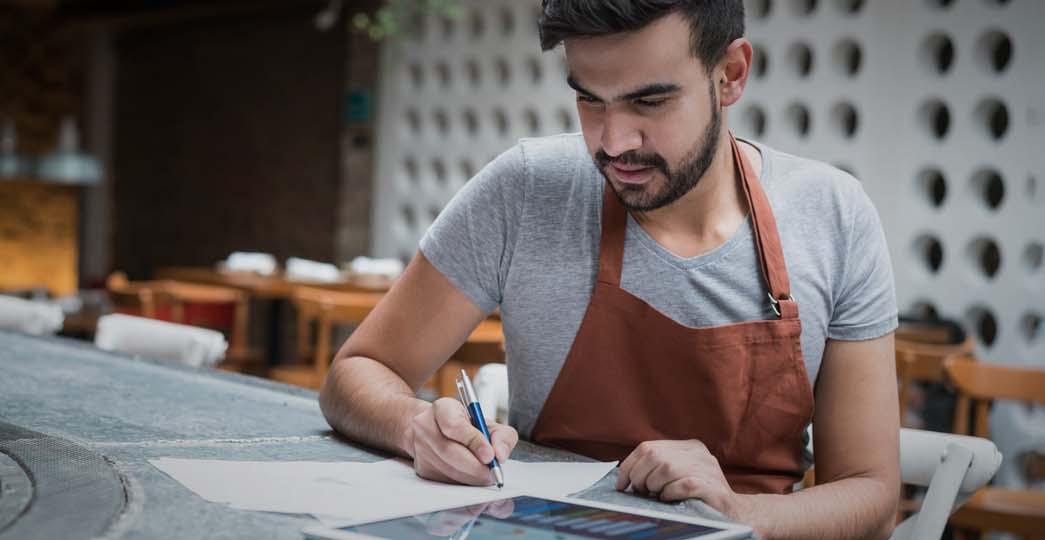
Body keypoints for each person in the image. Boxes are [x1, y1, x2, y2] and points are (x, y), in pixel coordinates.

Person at [319, 1, 900, 538]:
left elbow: (873, 499)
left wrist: (739, 515)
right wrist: (416, 426)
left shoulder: (833, 216)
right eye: (590, 99)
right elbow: (359, 371)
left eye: (650, 102)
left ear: (730, 74)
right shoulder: (524, 192)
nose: (615, 142)